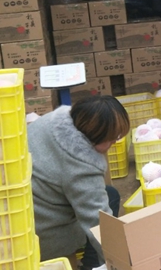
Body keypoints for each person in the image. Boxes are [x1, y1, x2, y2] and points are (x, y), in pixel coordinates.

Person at [28, 95, 130, 270]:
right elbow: (98, 222)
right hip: (44, 233)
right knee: (105, 216)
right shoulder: (81, 167)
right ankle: (93, 266)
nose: (115, 142)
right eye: (112, 138)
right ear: (96, 135)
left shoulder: (54, 120)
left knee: (110, 194)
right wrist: (120, 263)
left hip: (24, 211)